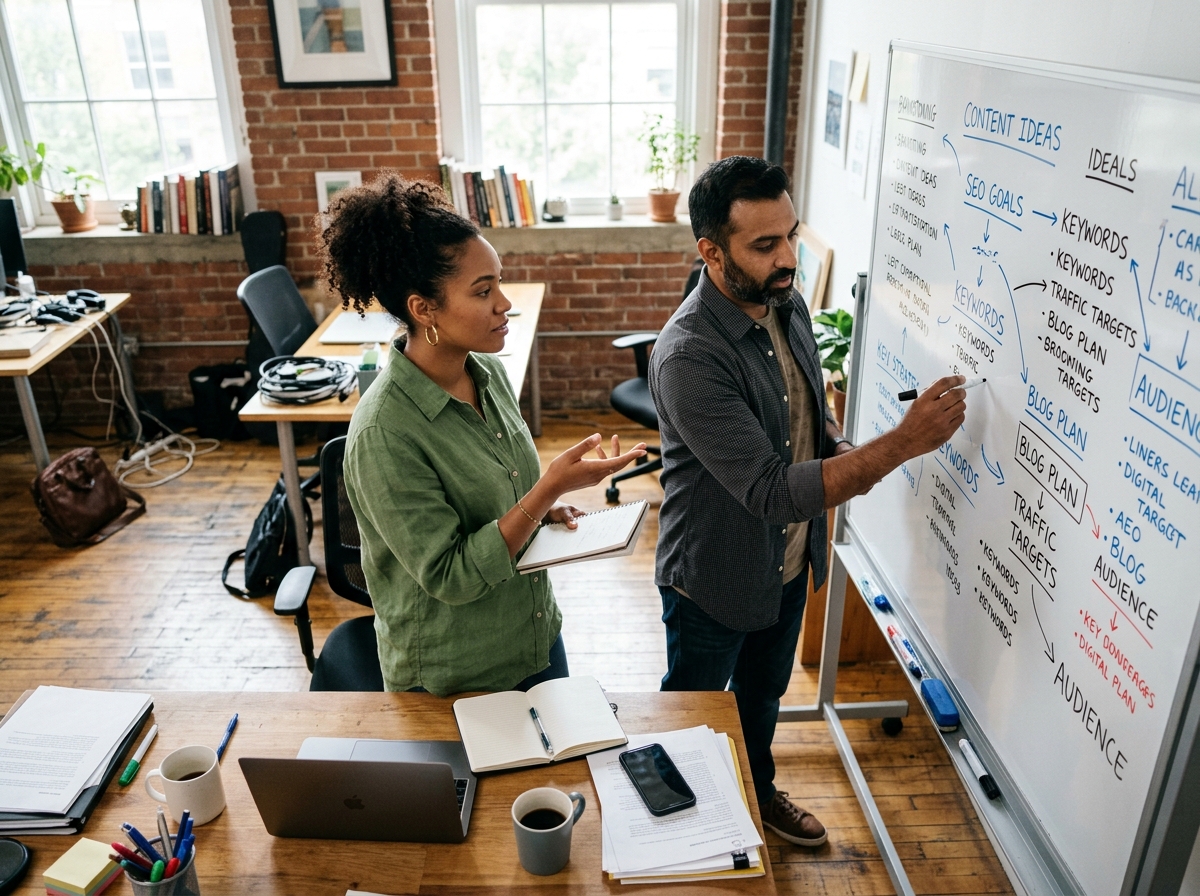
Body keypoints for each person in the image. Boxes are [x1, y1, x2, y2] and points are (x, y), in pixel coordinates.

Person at [648, 156, 965, 847]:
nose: (788, 257)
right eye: (765, 245)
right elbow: (769, 490)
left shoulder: (786, 304)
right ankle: (683, 833)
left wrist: (841, 446)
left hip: (788, 565)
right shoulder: (689, 355)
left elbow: (803, 417)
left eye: (790, 235)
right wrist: (902, 444)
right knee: (691, 716)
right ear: (711, 252)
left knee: (761, 698)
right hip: (713, 576)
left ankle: (757, 794)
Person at [320, 172, 646, 696]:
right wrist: (547, 490)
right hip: (456, 674)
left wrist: (543, 508)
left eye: (499, 282)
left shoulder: (487, 373)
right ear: (423, 309)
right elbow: (451, 576)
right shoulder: (384, 432)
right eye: (483, 290)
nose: (504, 303)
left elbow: (500, 500)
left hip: (534, 637)